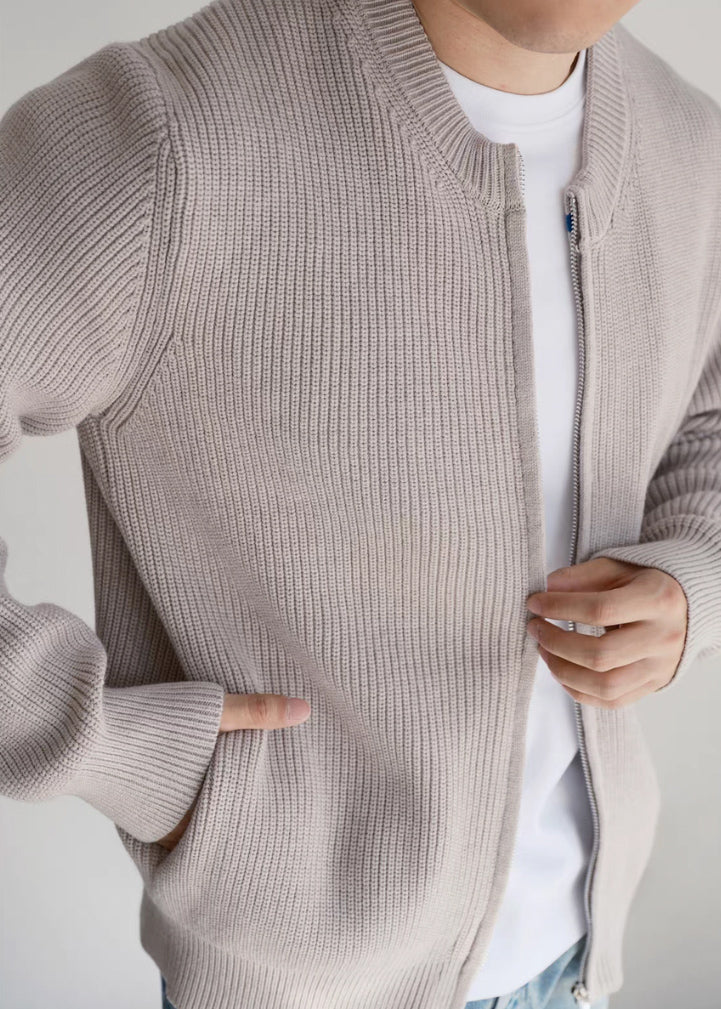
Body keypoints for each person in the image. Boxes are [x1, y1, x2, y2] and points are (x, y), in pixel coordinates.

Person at [1, 0, 718, 1008]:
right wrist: (128, 758)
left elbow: (707, 412)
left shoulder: (690, 146)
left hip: (576, 955)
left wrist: (692, 581)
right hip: (294, 986)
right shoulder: (160, 135)